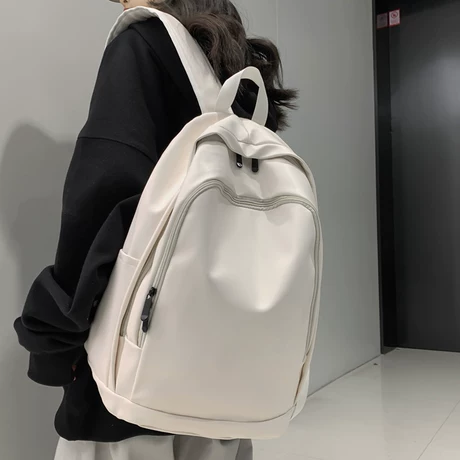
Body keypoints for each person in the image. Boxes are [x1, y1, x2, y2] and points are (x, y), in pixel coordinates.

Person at [14, 0, 297, 459]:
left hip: (133, 390)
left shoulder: (142, 45)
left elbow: (100, 203)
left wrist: (55, 342)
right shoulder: (230, 67)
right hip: (227, 378)